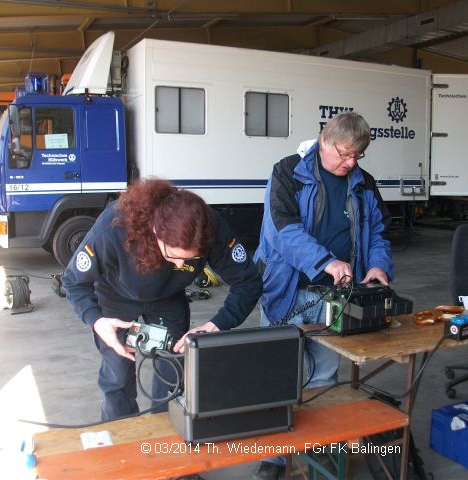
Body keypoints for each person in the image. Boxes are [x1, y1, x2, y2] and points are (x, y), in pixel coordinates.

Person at [252, 112, 393, 480]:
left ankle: (321, 449)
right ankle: (273, 457)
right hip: (286, 290)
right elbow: (283, 231)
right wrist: (326, 261)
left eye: (357, 157)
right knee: (276, 377)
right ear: (324, 141)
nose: (350, 163)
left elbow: (377, 231)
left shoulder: (364, 183)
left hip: (334, 297)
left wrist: (378, 266)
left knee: (324, 377)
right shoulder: (287, 172)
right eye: (344, 154)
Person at [62, 179, 262, 423]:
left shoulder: (209, 227)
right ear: (154, 231)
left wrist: (217, 324)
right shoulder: (113, 227)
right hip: (115, 298)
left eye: (190, 259)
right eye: (173, 256)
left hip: (168, 299)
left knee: (173, 375)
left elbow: (248, 283)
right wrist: (96, 320)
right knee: (117, 375)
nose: (180, 265)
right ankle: (121, 441)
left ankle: (165, 438)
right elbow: (73, 280)